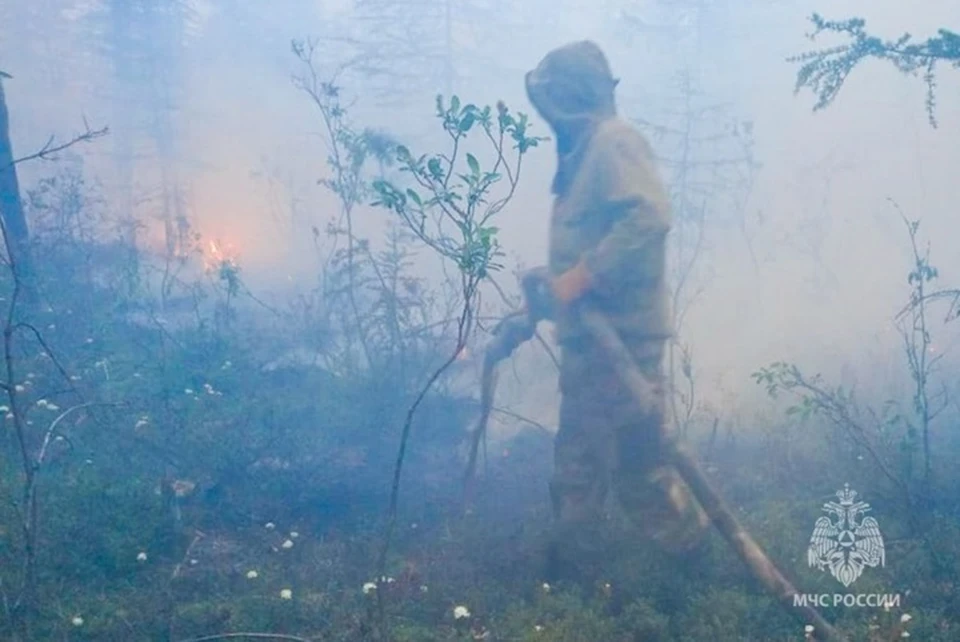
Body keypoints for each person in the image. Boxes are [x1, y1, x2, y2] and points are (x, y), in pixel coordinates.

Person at [523, 40, 710, 582]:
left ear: (568, 97)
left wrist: (584, 276)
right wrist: (555, 282)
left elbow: (648, 218)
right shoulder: (587, 153)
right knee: (577, 463)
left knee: (639, 466)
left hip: (623, 344)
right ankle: (568, 574)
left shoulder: (614, 142)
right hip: (591, 342)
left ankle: (694, 570)